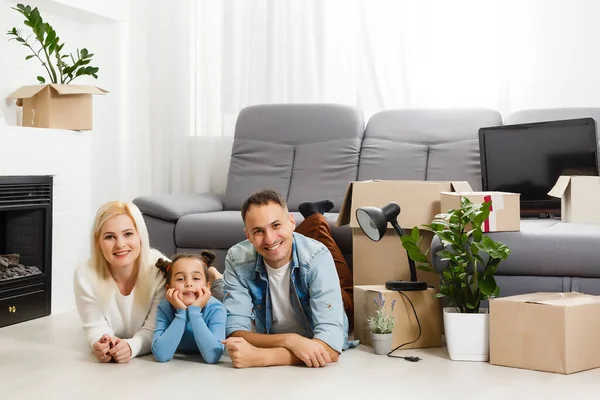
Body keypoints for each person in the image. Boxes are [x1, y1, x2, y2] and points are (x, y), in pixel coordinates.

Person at [222, 189, 357, 369]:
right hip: (293, 248)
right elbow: (235, 333)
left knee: (338, 270)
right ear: (248, 236)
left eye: (276, 225)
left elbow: (331, 345)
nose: (269, 238)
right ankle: (313, 215)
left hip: (338, 302)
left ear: (292, 222)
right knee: (280, 244)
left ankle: (315, 216)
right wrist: (290, 340)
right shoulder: (237, 259)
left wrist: (264, 357)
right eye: (258, 231)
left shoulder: (317, 256)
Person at [74, 201, 168, 363]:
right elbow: (95, 327)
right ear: (98, 242)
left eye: (128, 234)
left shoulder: (161, 269)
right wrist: (102, 343)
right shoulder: (85, 274)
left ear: (140, 236)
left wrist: (132, 347)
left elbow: (156, 328)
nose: (120, 244)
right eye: (110, 237)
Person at [151, 252, 226, 363]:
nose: (188, 284)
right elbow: (161, 355)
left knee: (221, 292)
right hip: (191, 297)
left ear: (207, 286)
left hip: (215, 297)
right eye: (180, 279)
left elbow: (213, 356)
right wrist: (181, 313)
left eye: (196, 278)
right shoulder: (164, 307)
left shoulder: (217, 308)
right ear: (168, 288)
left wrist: (194, 312)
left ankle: (216, 276)